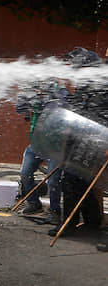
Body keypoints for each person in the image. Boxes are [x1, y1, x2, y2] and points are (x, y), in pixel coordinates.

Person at [48, 47, 108, 238]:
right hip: (79, 142)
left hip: (94, 143)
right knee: (81, 180)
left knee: (72, 181)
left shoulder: (101, 86)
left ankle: (69, 224)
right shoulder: (86, 85)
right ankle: (92, 221)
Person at [15, 79, 68, 221]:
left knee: (53, 181)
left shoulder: (60, 91)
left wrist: (44, 97)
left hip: (55, 145)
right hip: (36, 144)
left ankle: (55, 211)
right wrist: (25, 95)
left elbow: (61, 107)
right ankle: (34, 203)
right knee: (25, 173)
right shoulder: (33, 91)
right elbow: (19, 108)